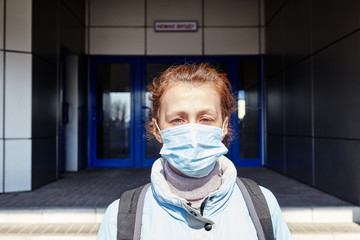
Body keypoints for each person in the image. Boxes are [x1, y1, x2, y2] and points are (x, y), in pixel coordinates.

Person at [97, 63, 292, 240]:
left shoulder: (262, 205)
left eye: (205, 119)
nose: (192, 130)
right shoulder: (121, 217)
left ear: (224, 126)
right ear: (156, 129)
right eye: (178, 120)